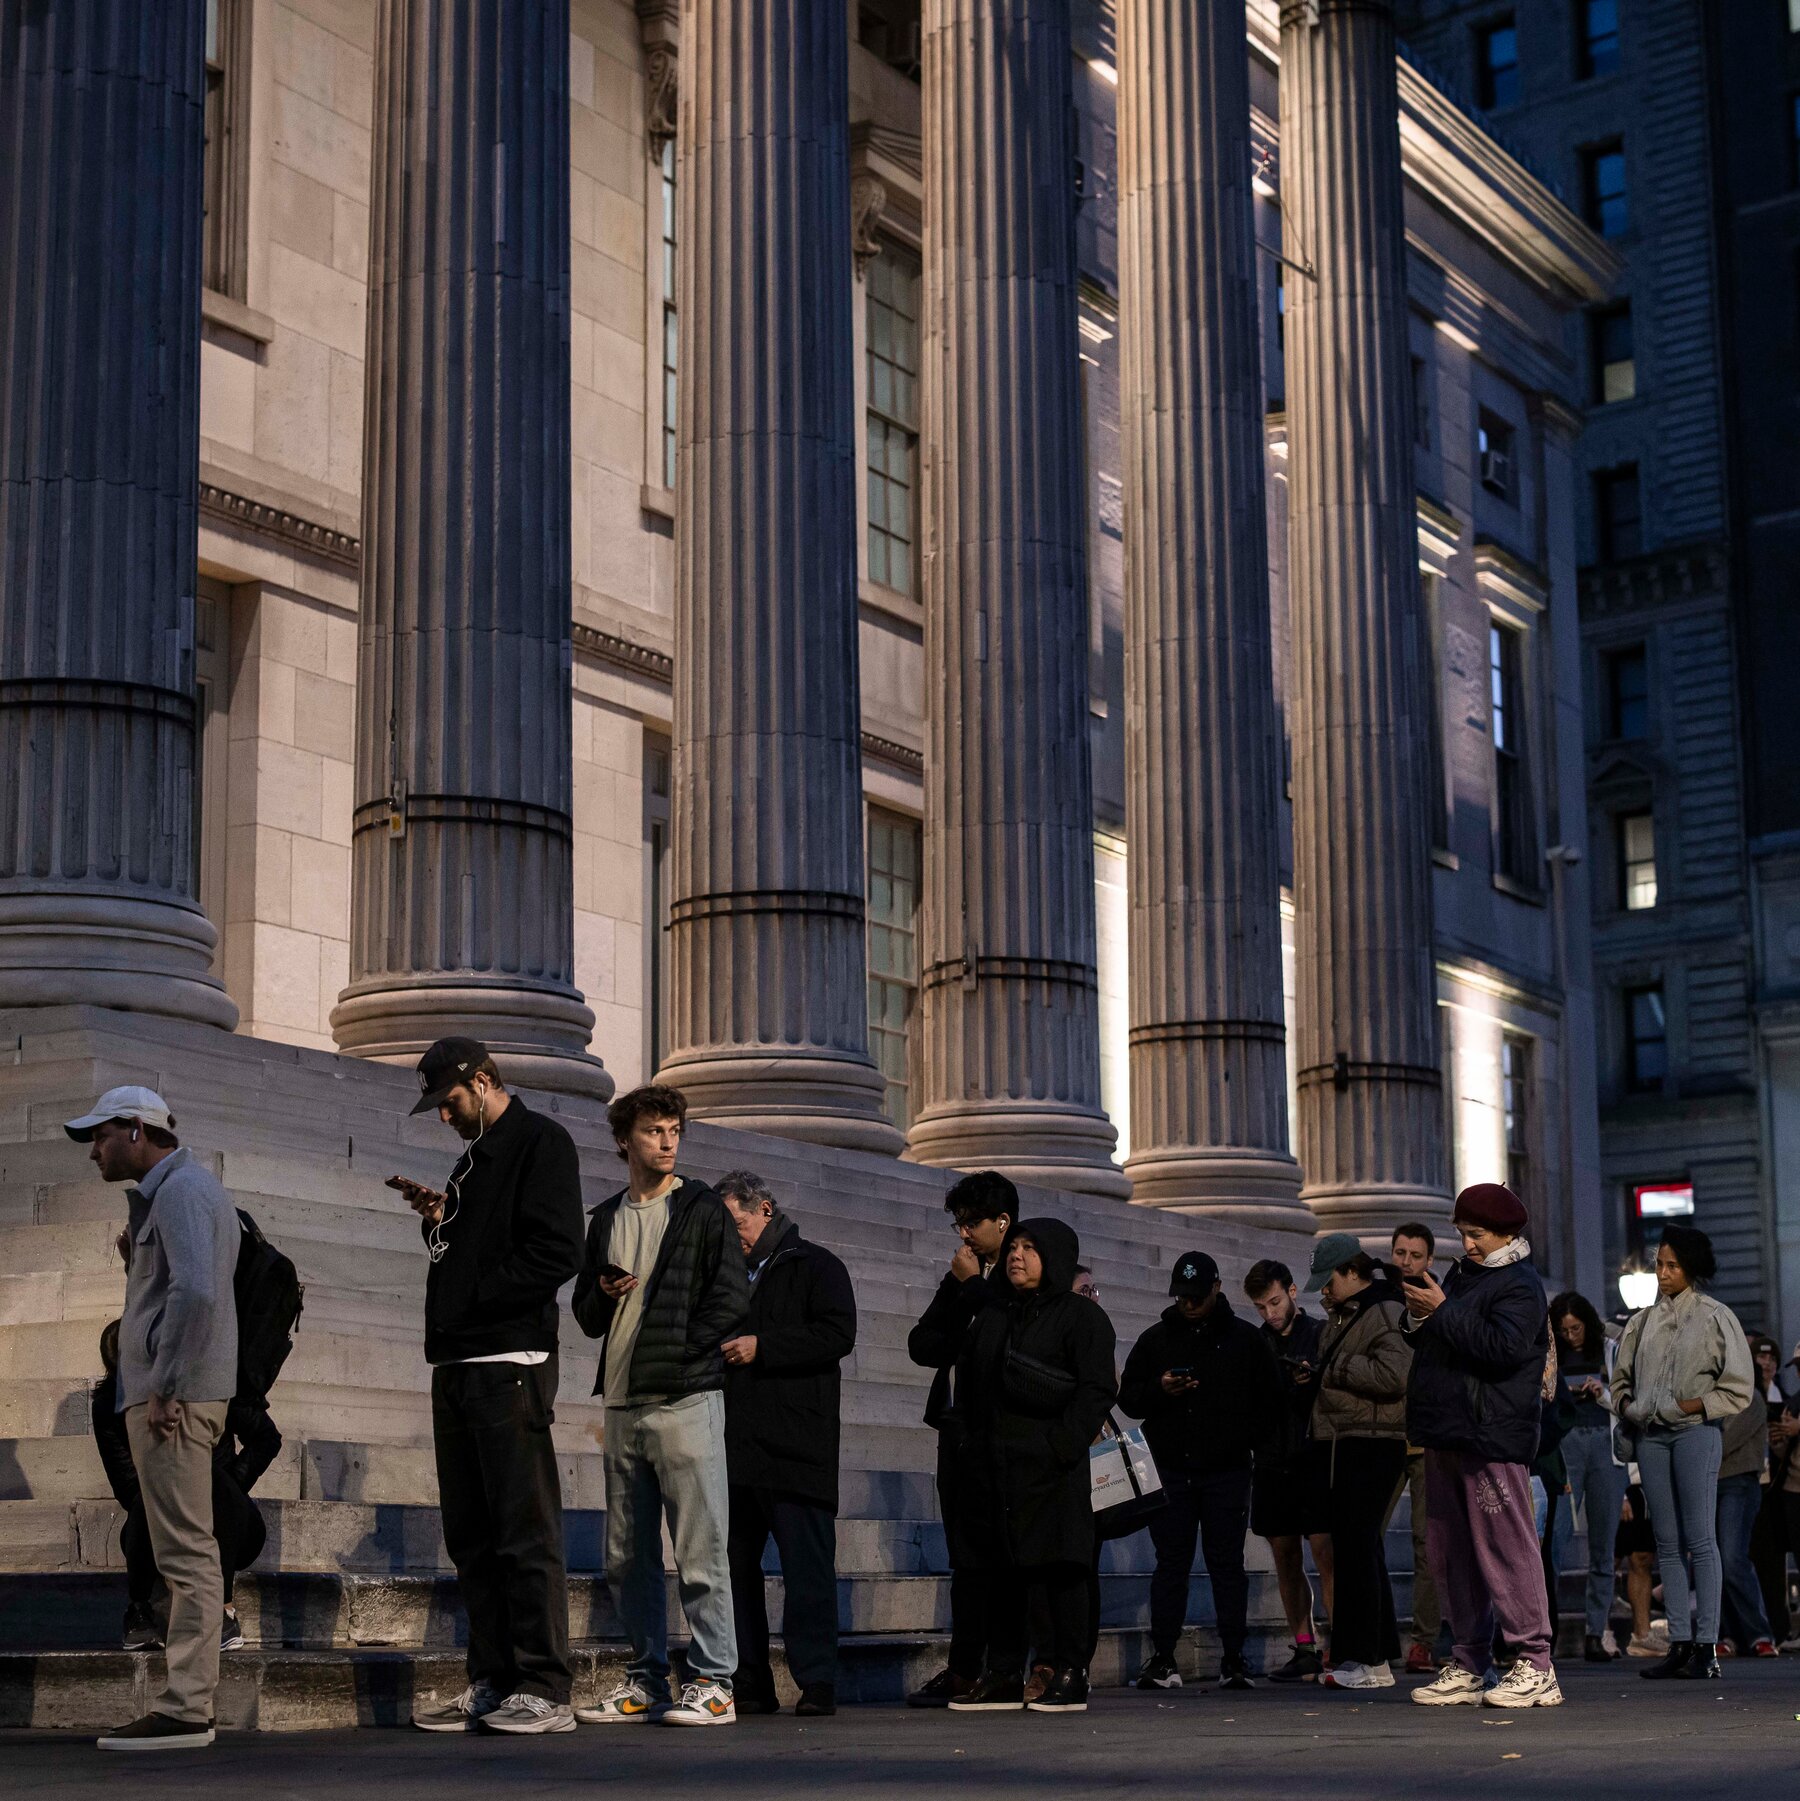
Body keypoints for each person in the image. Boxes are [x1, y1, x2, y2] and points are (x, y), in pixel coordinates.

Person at [394, 1039, 585, 1735]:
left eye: (450, 1101)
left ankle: (545, 1686)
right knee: (471, 1534)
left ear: (483, 1079)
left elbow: (559, 1249)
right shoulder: (472, 1159)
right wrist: (442, 1221)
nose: (444, 1117)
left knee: (521, 1530)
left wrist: (476, 1293)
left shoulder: (541, 1142)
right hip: (458, 1361)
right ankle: (495, 1677)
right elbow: (480, 1248)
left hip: (510, 1357)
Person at [68, 1087, 240, 1751]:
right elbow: (187, 1283)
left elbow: (198, 1290)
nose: (93, 1150)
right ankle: (188, 1702)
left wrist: (166, 1382)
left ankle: (186, 1707)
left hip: (175, 1398)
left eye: (100, 1135)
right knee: (185, 1549)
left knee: (186, 1553)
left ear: (136, 1129)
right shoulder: (177, 1191)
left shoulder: (181, 1189)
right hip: (179, 1390)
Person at [571, 1084, 749, 1726]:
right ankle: (646, 1679)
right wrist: (602, 1289)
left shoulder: (702, 1208)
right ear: (625, 1140)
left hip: (684, 1399)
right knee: (627, 1556)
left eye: (675, 1129)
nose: (668, 1141)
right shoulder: (606, 1218)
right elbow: (588, 1318)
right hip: (620, 1403)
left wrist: (684, 1359)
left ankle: (715, 1682)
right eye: (654, 1131)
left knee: (701, 1548)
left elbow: (730, 1299)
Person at [944, 1219, 1116, 1714]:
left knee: (1063, 1570)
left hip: (1054, 1468)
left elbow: (1097, 1390)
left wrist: (1061, 1445)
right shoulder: (996, 1313)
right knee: (1002, 1572)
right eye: (1014, 1246)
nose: (1017, 1255)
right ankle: (1002, 1673)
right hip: (996, 1467)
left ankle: (1068, 1671)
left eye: (1030, 1248)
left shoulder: (1081, 1318)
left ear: (1056, 1257)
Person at [1404, 1182, 1562, 1710]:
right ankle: (1470, 1662)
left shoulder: (1520, 1285)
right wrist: (1422, 1316)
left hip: (1493, 1432)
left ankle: (1535, 1663)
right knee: (1453, 1553)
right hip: (1449, 1430)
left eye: (1476, 1235)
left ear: (1506, 1234)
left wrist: (1443, 1310)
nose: (1467, 1244)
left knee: (1505, 1546)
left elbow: (1502, 1349)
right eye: (1463, 1233)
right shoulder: (1465, 1274)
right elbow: (1444, 1339)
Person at [716, 1170, 857, 1718]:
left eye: (739, 1222)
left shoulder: (817, 1265)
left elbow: (837, 1334)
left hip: (799, 1448)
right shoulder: (725, 1273)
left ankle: (817, 1680)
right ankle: (749, 1680)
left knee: (808, 1574)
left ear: (766, 1209)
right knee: (734, 1570)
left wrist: (764, 1346)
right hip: (736, 1447)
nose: (735, 1235)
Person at [1118, 1251, 1278, 1692]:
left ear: (1216, 1288)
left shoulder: (1245, 1340)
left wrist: (1249, 1446)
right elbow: (1129, 1398)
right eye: (1181, 1296)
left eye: (1195, 1295)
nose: (1188, 1304)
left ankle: (1233, 1658)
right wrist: (1161, 1389)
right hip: (1171, 1469)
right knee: (1171, 1563)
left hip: (1226, 1471)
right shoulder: (1156, 1339)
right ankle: (1164, 1656)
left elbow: (1270, 1403)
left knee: (1227, 1564)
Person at [1611, 1225, 1753, 1681]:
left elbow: (1738, 1387)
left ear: (1690, 1267)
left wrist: (1690, 1405)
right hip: (1651, 1437)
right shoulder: (1641, 1321)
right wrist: (1631, 1407)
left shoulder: (1715, 1316)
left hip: (1695, 1433)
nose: (1664, 1272)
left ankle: (1707, 1647)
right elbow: (1619, 1382)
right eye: (1660, 1264)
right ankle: (1680, 1643)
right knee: (1667, 1543)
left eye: (1673, 1264)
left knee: (1700, 1540)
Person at [93, 1319, 282, 1654]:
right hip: (159, 1516)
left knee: (208, 1478)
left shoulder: (207, 1384)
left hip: (227, 1517)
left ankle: (223, 1611)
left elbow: (267, 1437)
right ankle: (139, 1611)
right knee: (150, 1485)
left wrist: (230, 1483)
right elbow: (125, 1484)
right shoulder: (111, 1405)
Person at [904, 1170, 1016, 1707]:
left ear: (1003, 1221)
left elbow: (1007, 1337)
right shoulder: (964, 1275)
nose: (963, 1234)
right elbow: (922, 1343)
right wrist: (963, 1292)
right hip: (957, 1433)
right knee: (967, 1560)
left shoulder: (1019, 1271)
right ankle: (964, 1669)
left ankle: (1002, 1668)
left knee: (1001, 1558)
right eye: (958, 1223)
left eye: (972, 1223)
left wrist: (971, 1289)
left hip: (1000, 1437)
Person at [1302, 1235, 1412, 1692]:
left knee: (1358, 1551)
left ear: (1351, 1271)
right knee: (1358, 1550)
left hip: (1373, 1442)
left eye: (1328, 1281)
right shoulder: (1348, 1314)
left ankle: (1368, 1660)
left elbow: (1395, 1374)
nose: (1324, 1292)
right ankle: (1372, 1658)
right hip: (1348, 1442)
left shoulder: (1383, 1310)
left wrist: (1334, 1367)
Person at [1243, 1258, 1335, 1682]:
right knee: (1284, 1556)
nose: (1270, 1313)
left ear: (1293, 1292)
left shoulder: (1318, 1333)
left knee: (1325, 1551)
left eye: (1275, 1302)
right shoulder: (1255, 1343)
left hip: (1313, 1454)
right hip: (1272, 1458)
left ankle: (1342, 1644)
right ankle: (1304, 1645)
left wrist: (1310, 1380)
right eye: (1261, 1307)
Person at [1547, 1291, 1627, 1662]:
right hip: (1567, 1444)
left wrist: (1603, 1392)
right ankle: (1546, 1631)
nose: (1570, 1336)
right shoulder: (1553, 1353)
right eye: (1563, 1330)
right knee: (1556, 1537)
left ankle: (1597, 1631)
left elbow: (1628, 1400)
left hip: (1603, 1445)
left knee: (1603, 1545)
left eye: (1575, 1328)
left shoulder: (1610, 1350)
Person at [1384, 1223, 1442, 1672]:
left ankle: (1423, 1639)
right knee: (1367, 1536)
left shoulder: (1441, 1303)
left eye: (1415, 1255)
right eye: (1400, 1252)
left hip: (1425, 1439)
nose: (1406, 1261)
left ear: (1429, 1260)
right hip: (1383, 1434)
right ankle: (1373, 1633)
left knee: (1427, 1543)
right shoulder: (1381, 1298)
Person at [1716, 1359, 1777, 1658]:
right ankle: (1730, 1633)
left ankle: (1758, 1632)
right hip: (1711, 1485)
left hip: (1738, 1483)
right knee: (1717, 1562)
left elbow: (1724, 1442)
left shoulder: (1749, 1397)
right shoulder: (1715, 1397)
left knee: (1731, 1559)